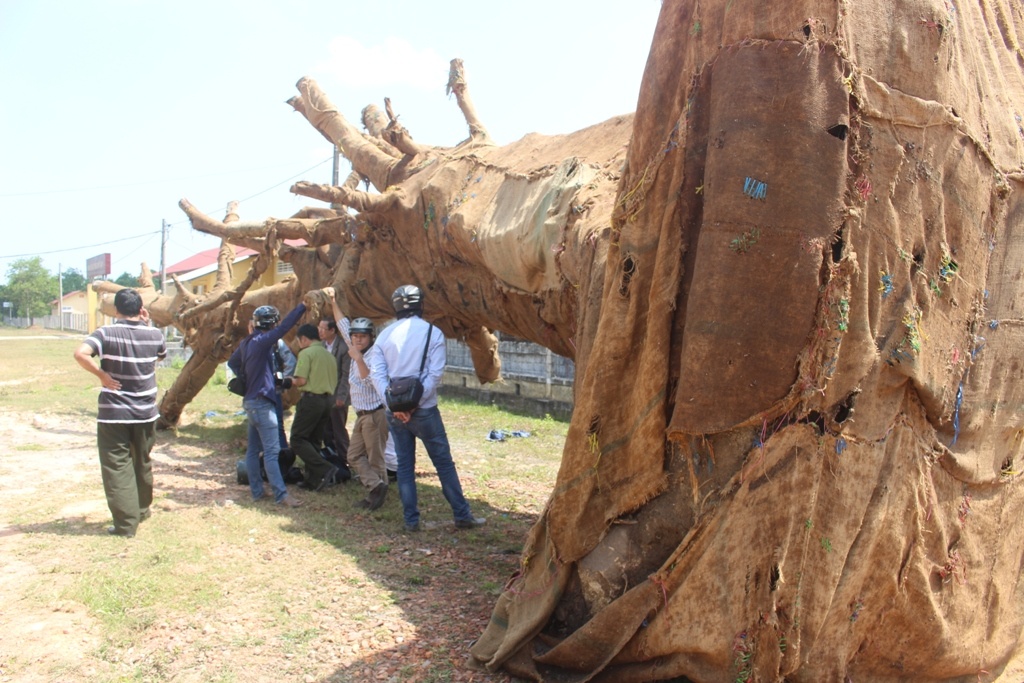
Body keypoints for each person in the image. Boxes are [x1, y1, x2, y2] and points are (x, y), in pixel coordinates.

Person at [367, 284, 485, 532]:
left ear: (396, 307)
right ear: (421, 304)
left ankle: (411, 521)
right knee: (443, 464)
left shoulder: (384, 336)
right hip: (426, 410)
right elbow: (435, 374)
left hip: (395, 413)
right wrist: (415, 404)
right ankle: (462, 516)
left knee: (405, 467)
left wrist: (395, 405)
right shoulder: (434, 333)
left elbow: (376, 375)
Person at [73, 288, 167, 538]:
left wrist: (102, 375)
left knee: (117, 465)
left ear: (116, 310)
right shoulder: (155, 334)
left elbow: (80, 354)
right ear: (141, 309)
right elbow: (160, 356)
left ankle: (126, 525)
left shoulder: (105, 333)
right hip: (146, 412)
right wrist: (146, 324)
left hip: (114, 413)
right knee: (142, 460)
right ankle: (142, 509)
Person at [228, 301, 308, 507]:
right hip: (264, 403)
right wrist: (302, 306)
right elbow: (285, 328)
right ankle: (281, 495)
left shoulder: (247, 342)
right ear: (271, 324)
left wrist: (247, 377)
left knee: (253, 451)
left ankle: (256, 491)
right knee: (272, 452)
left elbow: (232, 363)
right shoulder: (264, 341)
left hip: (250, 402)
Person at [326, 289, 389, 510]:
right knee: (353, 455)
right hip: (361, 415)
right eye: (355, 336)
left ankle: (377, 495)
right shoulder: (354, 346)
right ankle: (377, 487)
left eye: (362, 336)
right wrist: (333, 301)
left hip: (374, 414)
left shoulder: (373, 355)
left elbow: (370, 381)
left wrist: (359, 358)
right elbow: (343, 324)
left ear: (371, 337)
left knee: (376, 459)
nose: (357, 339)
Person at [289, 323, 340, 492]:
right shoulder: (329, 355)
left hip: (311, 400)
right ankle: (313, 480)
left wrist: (289, 381)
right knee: (314, 440)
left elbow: (302, 380)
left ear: (303, 339)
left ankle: (325, 468)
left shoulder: (306, 353)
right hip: (327, 401)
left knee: (297, 438)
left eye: (298, 341)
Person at [318, 316, 352, 477]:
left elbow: (346, 375)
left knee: (339, 430)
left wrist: (342, 397)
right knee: (326, 430)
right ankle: (332, 458)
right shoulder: (321, 346)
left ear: (332, 330)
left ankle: (347, 460)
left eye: (323, 329)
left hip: (338, 395)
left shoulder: (344, 348)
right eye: (319, 328)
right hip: (324, 395)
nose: (320, 331)